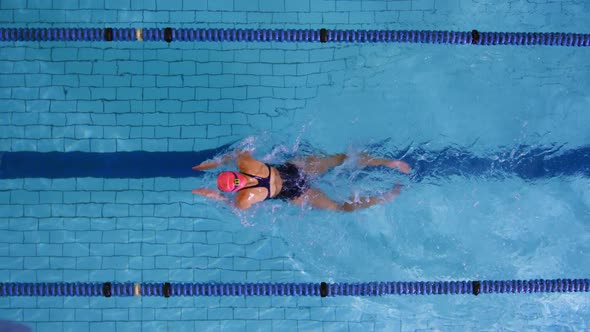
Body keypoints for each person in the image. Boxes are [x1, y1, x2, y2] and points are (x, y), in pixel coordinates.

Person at [192, 151, 411, 212]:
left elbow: (230, 204)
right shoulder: (246, 163)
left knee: (341, 207)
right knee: (342, 158)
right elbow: (233, 155)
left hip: (294, 194)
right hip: (294, 170)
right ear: (236, 175)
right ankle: (388, 162)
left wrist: (213, 195)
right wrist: (213, 163)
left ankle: (385, 197)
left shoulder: (243, 198)